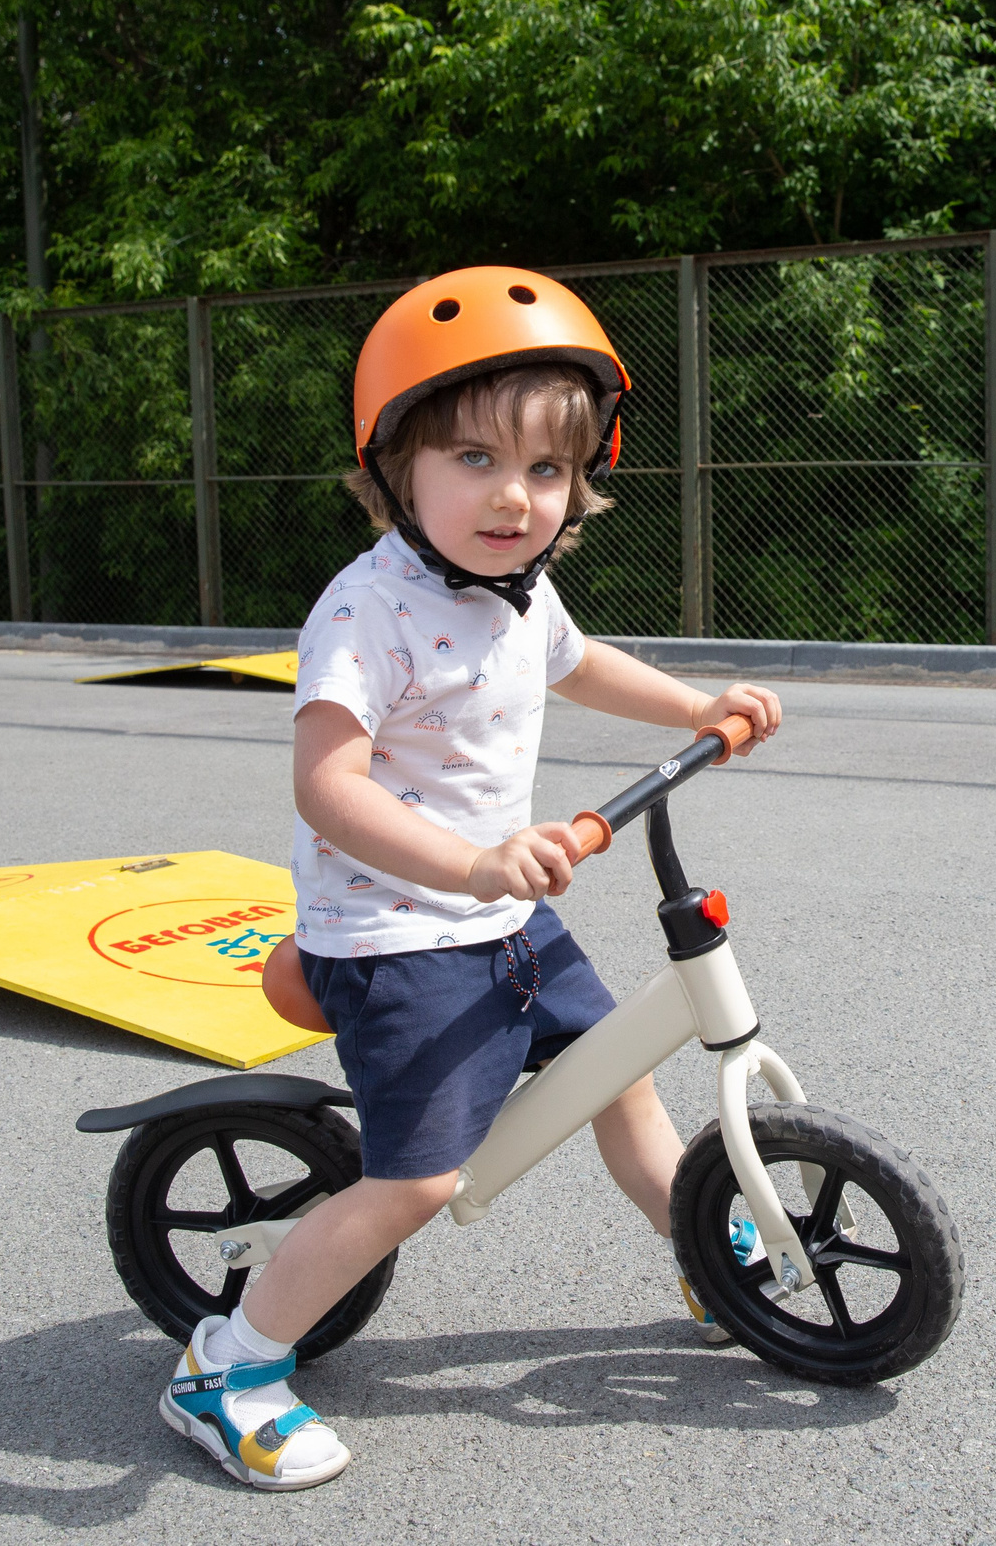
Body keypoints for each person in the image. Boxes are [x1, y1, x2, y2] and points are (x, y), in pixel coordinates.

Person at [158, 267, 783, 1491]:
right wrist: (475, 860)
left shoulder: (519, 590)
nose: (515, 498)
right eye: (474, 461)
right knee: (418, 1182)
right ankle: (224, 1368)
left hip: (500, 915)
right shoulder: (365, 613)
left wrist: (698, 703)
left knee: (623, 1082)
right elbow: (328, 788)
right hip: (396, 933)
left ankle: (706, 1256)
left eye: (546, 471)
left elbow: (579, 663)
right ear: (396, 467)